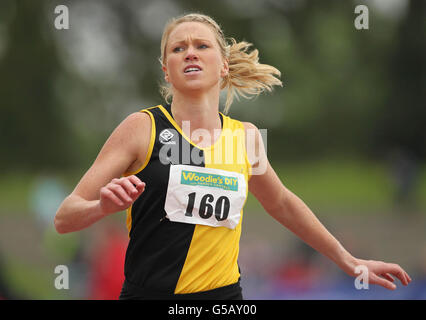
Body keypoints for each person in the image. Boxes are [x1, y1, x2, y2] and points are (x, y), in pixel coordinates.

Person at [54, 13, 411, 300]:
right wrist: (101, 206)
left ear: (223, 65)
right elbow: (64, 217)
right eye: (178, 49)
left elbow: (282, 203)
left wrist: (348, 261)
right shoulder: (141, 128)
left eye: (201, 45)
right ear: (166, 69)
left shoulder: (246, 137)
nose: (190, 52)